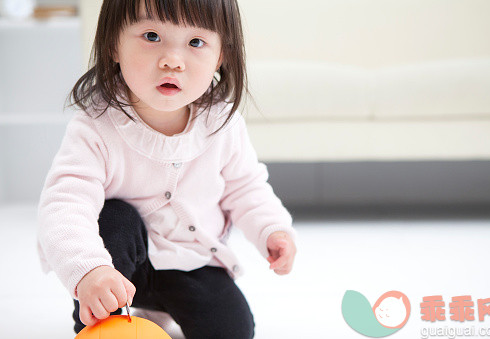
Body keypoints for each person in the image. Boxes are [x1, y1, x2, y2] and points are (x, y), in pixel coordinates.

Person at [36, 0, 297, 338]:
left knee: (233, 329)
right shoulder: (95, 127)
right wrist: (89, 271)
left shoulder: (221, 123)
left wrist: (272, 229)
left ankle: (161, 311)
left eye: (196, 43)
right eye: (151, 36)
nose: (172, 60)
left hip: (191, 262)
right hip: (115, 268)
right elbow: (64, 206)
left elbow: (246, 187)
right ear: (114, 44)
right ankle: (106, 319)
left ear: (221, 56)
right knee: (114, 216)